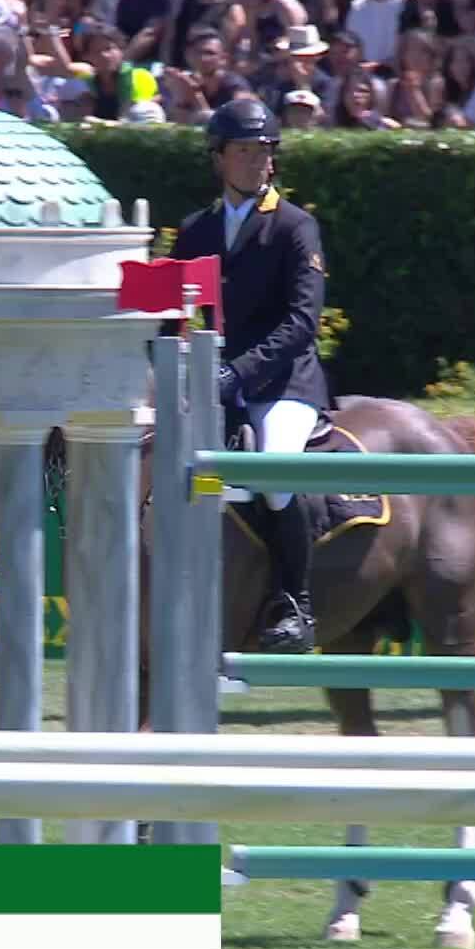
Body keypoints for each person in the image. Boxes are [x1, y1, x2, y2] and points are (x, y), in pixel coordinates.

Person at [168, 95, 331, 655]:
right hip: (215, 385)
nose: (257, 160)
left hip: (283, 384)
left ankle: (295, 604)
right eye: (243, 151)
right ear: (219, 157)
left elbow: (302, 323)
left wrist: (237, 374)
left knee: (274, 473)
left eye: (263, 150)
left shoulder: (295, 227)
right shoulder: (196, 231)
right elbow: (171, 316)